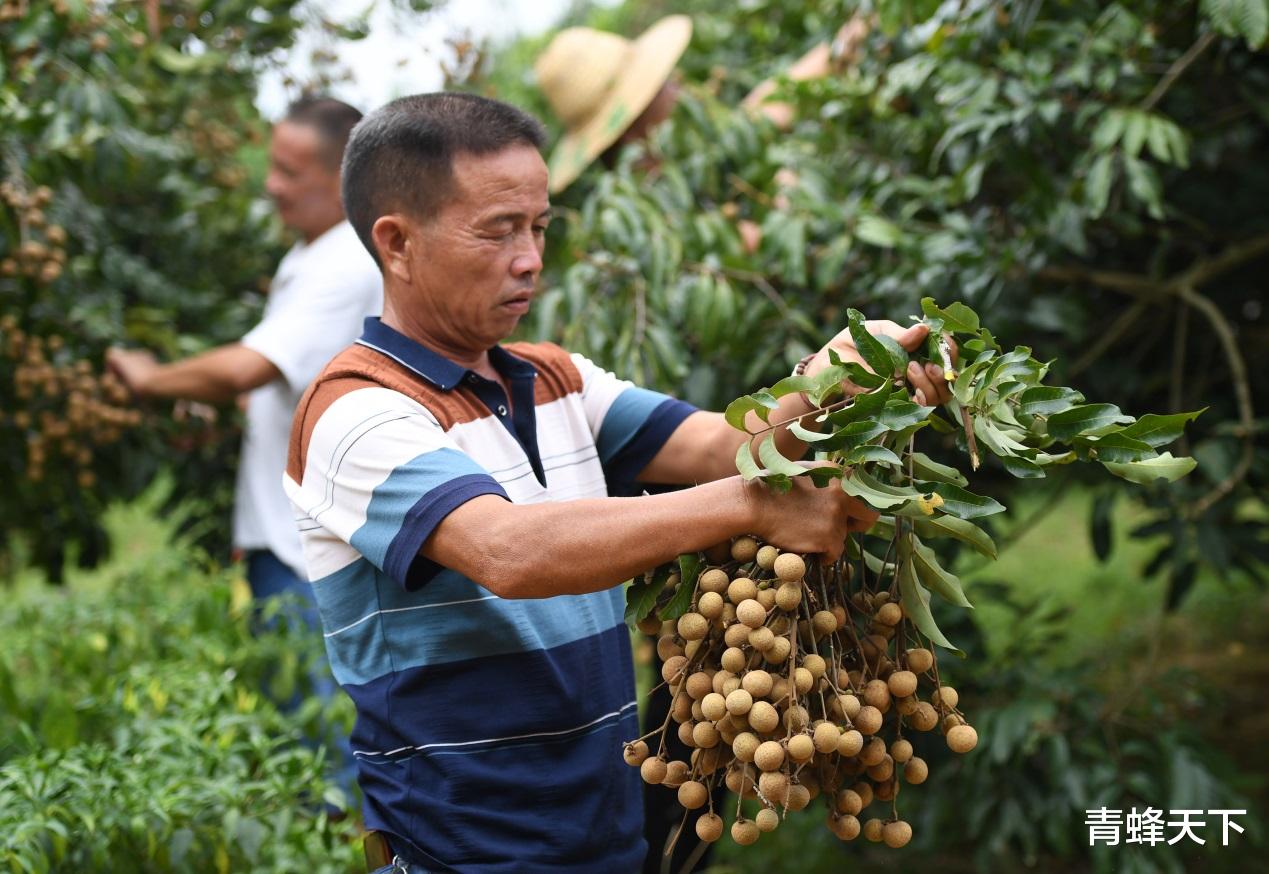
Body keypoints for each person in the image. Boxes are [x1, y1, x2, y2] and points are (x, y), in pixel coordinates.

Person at [284, 92, 951, 873]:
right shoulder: (353, 411)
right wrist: (755, 506)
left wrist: (837, 369)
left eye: (537, 227)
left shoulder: (554, 378)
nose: (530, 257)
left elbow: (723, 446)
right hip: (464, 856)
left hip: (605, 838)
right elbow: (507, 551)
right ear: (396, 243)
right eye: (498, 231)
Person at [106, 95, 383, 797]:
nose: (270, 185)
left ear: (343, 178)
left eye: (290, 172)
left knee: (328, 759)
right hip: (284, 539)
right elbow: (285, 382)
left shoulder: (343, 264)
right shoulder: (310, 257)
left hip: (304, 552)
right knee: (313, 740)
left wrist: (150, 379)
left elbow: (246, 367)